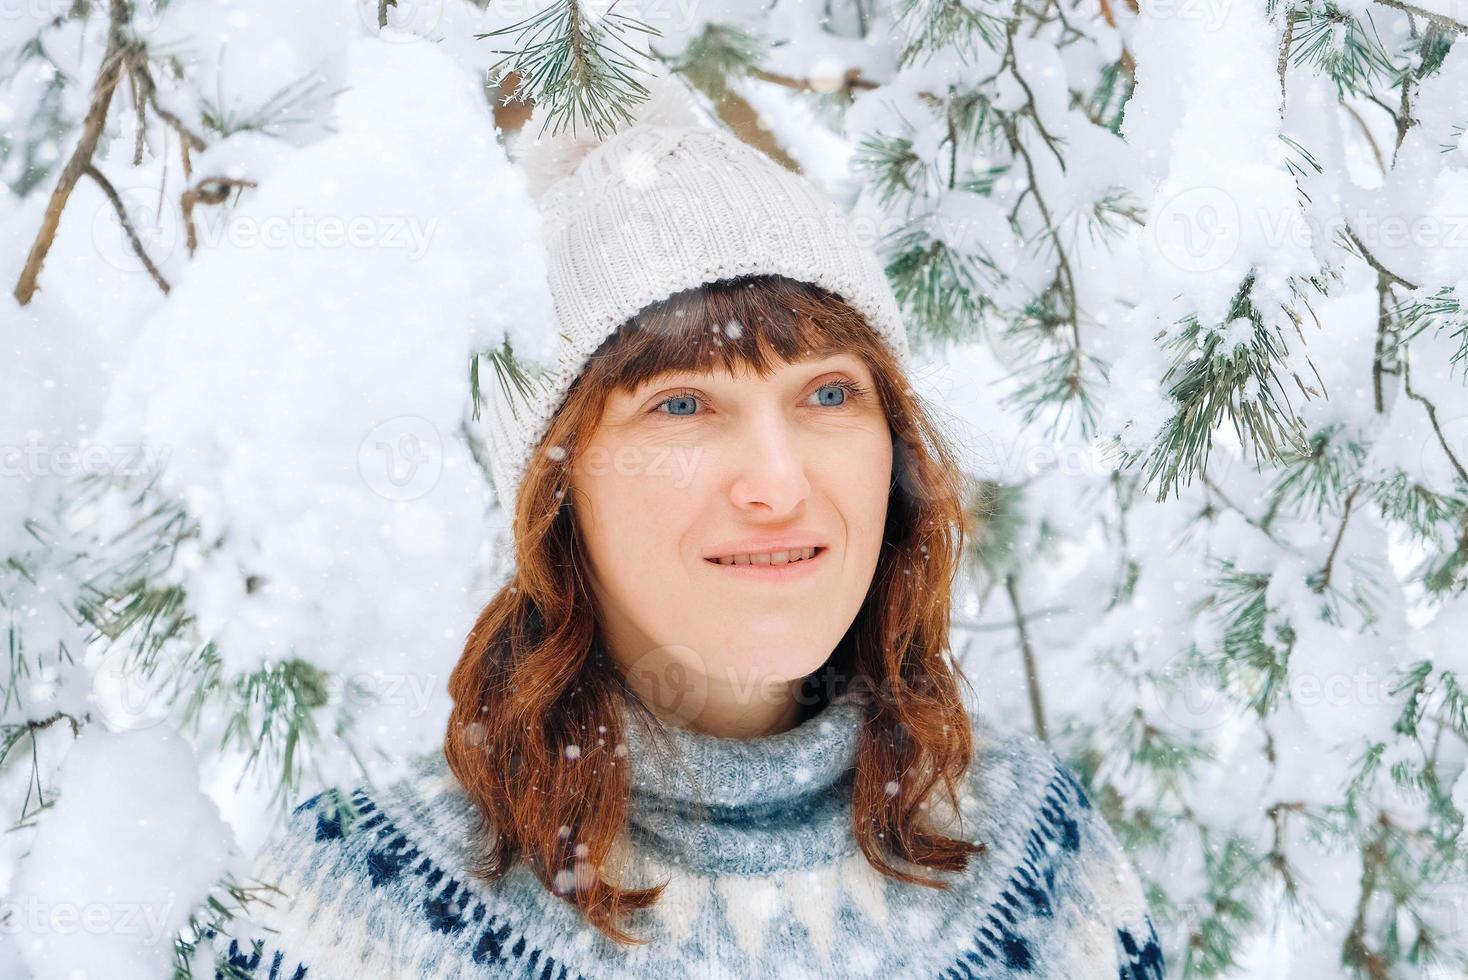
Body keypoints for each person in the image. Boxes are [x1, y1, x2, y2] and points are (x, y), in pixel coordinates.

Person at [212, 69, 1165, 979]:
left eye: (829, 393)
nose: (777, 483)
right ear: (558, 487)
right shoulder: (362, 912)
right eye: (679, 406)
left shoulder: (1045, 863)